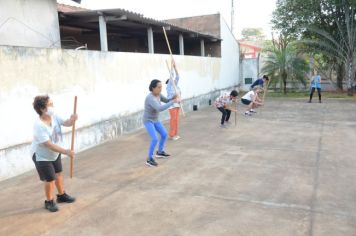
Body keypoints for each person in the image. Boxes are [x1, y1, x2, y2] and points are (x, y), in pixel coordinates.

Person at [31, 95, 77, 212]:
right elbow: (49, 145)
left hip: (54, 153)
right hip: (42, 156)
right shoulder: (39, 126)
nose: (53, 106)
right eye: (50, 104)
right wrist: (66, 152)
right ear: (42, 109)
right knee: (50, 179)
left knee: (58, 174)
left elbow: (66, 123)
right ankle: (49, 201)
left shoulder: (54, 116)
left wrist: (71, 120)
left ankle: (61, 195)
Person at [144, 79, 180, 167]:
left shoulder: (158, 95)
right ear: (153, 88)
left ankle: (160, 152)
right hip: (148, 121)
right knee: (155, 139)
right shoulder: (150, 98)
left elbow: (167, 100)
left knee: (164, 134)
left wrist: (172, 98)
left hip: (155, 120)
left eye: (161, 87)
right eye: (159, 87)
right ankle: (149, 159)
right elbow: (159, 108)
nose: (160, 89)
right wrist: (173, 101)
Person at [166, 61, 181, 141]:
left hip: (177, 105)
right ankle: (172, 135)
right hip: (172, 106)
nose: (175, 80)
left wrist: (175, 67)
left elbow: (178, 76)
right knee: (173, 120)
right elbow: (171, 76)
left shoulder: (177, 87)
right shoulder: (169, 87)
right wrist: (171, 66)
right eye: (172, 80)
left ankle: (175, 134)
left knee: (177, 120)